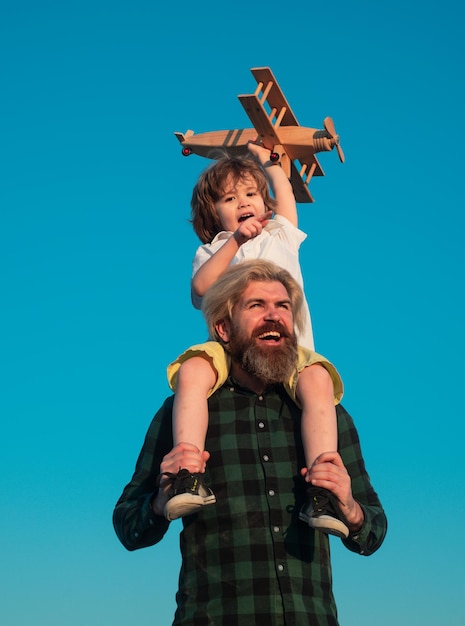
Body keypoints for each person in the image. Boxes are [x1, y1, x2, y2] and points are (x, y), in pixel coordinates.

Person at [113, 260, 387, 626]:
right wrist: (160, 502)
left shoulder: (327, 415)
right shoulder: (183, 412)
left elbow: (372, 530)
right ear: (223, 328)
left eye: (283, 307)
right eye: (257, 305)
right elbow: (127, 523)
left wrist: (351, 509)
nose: (273, 316)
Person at [166, 143, 346, 536]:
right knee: (193, 370)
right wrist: (236, 242)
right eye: (230, 199)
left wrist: (270, 160)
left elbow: (286, 199)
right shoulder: (214, 249)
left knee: (318, 381)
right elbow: (199, 288)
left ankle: (323, 491)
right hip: (234, 354)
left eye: (251, 193)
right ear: (213, 212)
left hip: (288, 351)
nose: (243, 203)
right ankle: (188, 471)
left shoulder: (280, 233)